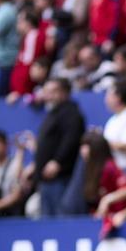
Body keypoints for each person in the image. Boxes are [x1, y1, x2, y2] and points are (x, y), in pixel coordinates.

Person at [34, 78, 86, 216]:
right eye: (46, 91)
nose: (48, 95)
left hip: (61, 177)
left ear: (65, 93)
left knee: (60, 216)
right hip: (46, 178)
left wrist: (57, 161)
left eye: (53, 91)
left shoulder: (71, 113)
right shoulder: (53, 113)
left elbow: (71, 139)